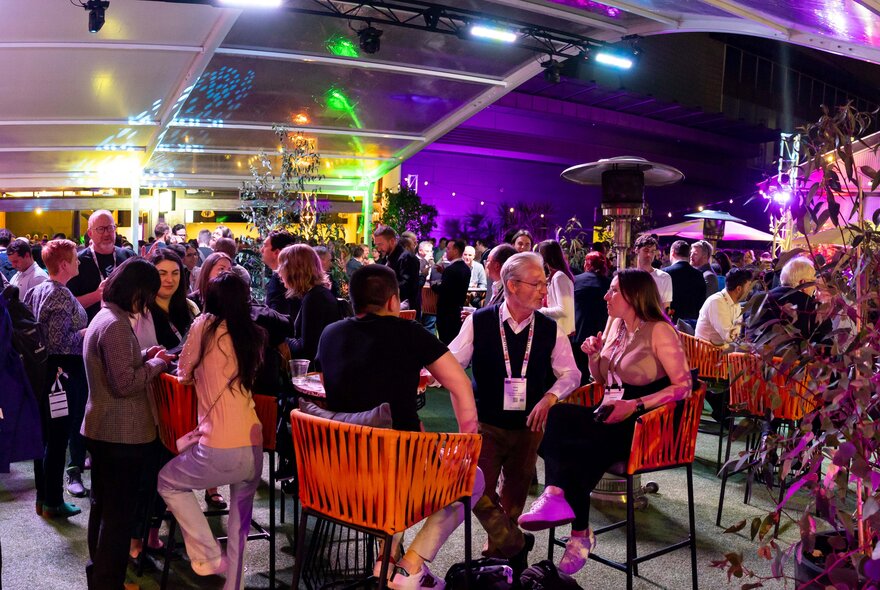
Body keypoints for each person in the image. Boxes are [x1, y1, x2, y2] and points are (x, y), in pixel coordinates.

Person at [316, 263, 482, 587]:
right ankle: (410, 566)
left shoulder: (330, 334)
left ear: (353, 300)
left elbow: (328, 390)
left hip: (338, 478)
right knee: (472, 477)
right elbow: (460, 385)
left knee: (402, 451)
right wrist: (466, 444)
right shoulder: (410, 333)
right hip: (396, 474)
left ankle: (386, 558)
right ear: (394, 301)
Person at [518, 269, 691, 575]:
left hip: (646, 421)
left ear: (634, 296)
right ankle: (562, 505)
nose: (605, 296)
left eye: (613, 290)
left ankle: (575, 525)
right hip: (609, 412)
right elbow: (600, 380)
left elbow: (684, 386)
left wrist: (634, 404)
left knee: (580, 445)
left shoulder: (660, 330)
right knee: (558, 414)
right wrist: (594, 357)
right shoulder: (615, 325)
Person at [449, 252, 581, 573]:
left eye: (544, 284)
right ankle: (514, 543)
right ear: (512, 285)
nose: (543, 292)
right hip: (486, 422)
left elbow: (572, 374)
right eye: (537, 284)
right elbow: (453, 363)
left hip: (529, 426)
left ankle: (499, 556)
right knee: (474, 488)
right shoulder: (479, 322)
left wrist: (550, 398)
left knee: (515, 492)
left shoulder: (551, 329)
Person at [158, 272, 266, 590]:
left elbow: (184, 371)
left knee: (167, 482)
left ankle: (208, 556)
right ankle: (235, 584)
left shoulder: (204, 325)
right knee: (239, 520)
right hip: (253, 442)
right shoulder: (253, 333)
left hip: (218, 443)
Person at [81, 257, 175, 589]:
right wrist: (157, 366)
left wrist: (146, 357)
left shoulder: (105, 317)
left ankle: (101, 576)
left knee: (103, 508)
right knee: (118, 517)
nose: (147, 302)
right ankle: (109, 580)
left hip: (102, 428)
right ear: (136, 290)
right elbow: (124, 385)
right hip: (120, 434)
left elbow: (118, 371)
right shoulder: (117, 325)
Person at [24, 239, 90, 514]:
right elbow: (60, 341)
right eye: (75, 258)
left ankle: (44, 498)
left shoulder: (37, 290)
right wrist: (88, 333)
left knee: (45, 438)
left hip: (41, 373)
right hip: (61, 375)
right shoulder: (61, 294)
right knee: (58, 437)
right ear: (64, 264)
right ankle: (53, 501)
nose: (79, 262)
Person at [277, 244, 342, 370]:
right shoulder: (317, 294)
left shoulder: (314, 298)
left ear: (294, 270)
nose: (279, 272)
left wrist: (280, 337)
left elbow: (306, 350)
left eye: (282, 267)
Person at [66, 210, 136, 322]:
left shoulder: (128, 257)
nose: (107, 233)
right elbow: (68, 305)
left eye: (110, 228)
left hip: (127, 326)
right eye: (101, 229)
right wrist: (97, 295)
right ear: (90, 233)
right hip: (91, 330)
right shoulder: (78, 262)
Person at [748, 256, 831, 346]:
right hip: (793, 359)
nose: (815, 287)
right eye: (813, 282)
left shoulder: (758, 299)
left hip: (751, 357)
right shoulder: (813, 308)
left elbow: (746, 335)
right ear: (803, 283)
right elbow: (826, 347)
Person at [572, 252, 611, 385]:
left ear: (586, 264)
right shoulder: (610, 283)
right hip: (601, 334)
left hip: (578, 332)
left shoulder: (575, 281)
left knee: (578, 373)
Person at [695, 267, 753, 348]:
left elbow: (736, 334)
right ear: (738, 289)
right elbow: (729, 337)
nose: (750, 290)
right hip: (707, 354)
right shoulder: (716, 302)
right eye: (748, 286)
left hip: (723, 351)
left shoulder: (736, 304)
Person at [432, 239, 471, 344]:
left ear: (456, 250)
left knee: (445, 341)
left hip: (446, 313)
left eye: (448, 249)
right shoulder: (466, 269)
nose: (446, 252)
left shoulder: (451, 269)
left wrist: (433, 285)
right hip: (458, 311)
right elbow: (455, 284)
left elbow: (445, 290)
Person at [373, 225, 421, 312]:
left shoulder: (407, 257)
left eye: (380, 244)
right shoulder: (388, 256)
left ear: (392, 241)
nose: (379, 249)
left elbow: (407, 286)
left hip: (403, 310)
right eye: (377, 245)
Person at [536, 240, 575, 336]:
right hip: (555, 331)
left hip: (561, 333)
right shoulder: (554, 276)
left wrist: (539, 311)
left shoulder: (559, 277)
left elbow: (563, 309)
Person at [662, 240, 707, 323]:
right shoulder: (699, 275)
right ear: (688, 255)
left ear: (673, 252)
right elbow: (702, 302)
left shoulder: (664, 273)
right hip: (692, 325)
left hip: (670, 323)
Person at [260, 230, 299, 323]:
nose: (261, 250)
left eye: (265, 246)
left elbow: (277, 318)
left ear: (276, 252)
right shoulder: (293, 276)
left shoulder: (280, 281)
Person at [633, 234, 672, 310]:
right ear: (636, 250)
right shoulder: (628, 277)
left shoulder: (664, 277)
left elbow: (666, 308)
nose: (649, 255)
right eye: (646, 250)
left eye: (652, 251)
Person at [484, 244, 517, 308]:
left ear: (496, 266)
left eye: (488, 261)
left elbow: (498, 316)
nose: (486, 265)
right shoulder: (497, 286)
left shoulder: (509, 292)